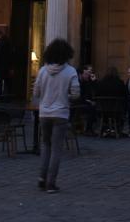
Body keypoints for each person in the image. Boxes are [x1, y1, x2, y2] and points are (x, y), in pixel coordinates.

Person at [33, 38, 80, 193]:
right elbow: (75, 94)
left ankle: (41, 178)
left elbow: (36, 92)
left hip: (44, 113)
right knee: (56, 149)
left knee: (45, 145)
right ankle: (51, 183)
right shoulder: (70, 71)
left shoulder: (42, 71)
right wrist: (66, 96)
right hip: (61, 113)